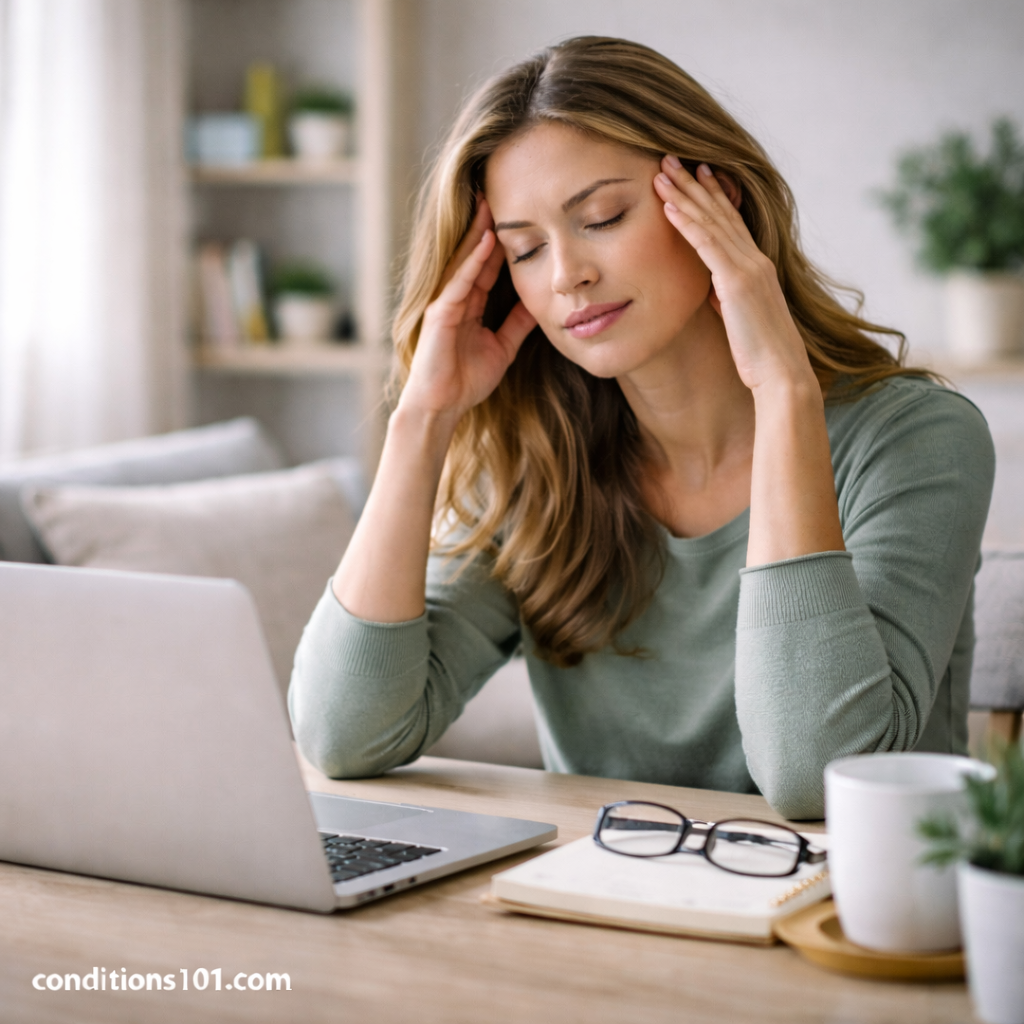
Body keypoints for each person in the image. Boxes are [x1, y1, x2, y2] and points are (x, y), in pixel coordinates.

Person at [288, 36, 994, 819]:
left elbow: (813, 776)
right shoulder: (537, 462)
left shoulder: (917, 439)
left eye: (602, 217)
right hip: (600, 918)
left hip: (839, 924)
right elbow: (339, 734)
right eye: (524, 250)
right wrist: (422, 421)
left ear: (715, 200)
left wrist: (784, 391)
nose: (567, 276)